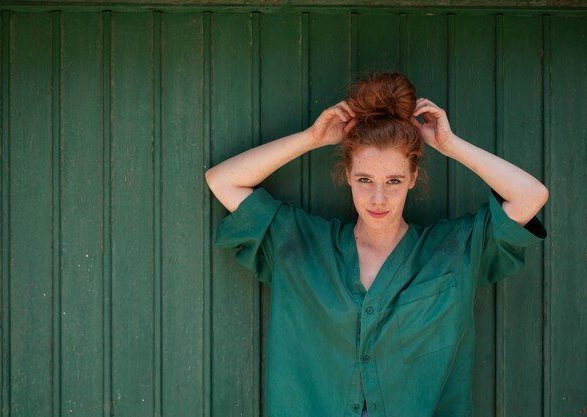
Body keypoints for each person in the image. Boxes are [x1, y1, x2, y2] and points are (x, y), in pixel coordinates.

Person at [205, 72, 548, 417]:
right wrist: (312, 138)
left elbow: (530, 196)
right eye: (365, 179)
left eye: (394, 180)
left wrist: (449, 145)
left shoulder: (453, 251)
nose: (378, 197)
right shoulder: (300, 243)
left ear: (413, 178)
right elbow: (223, 181)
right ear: (348, 176)